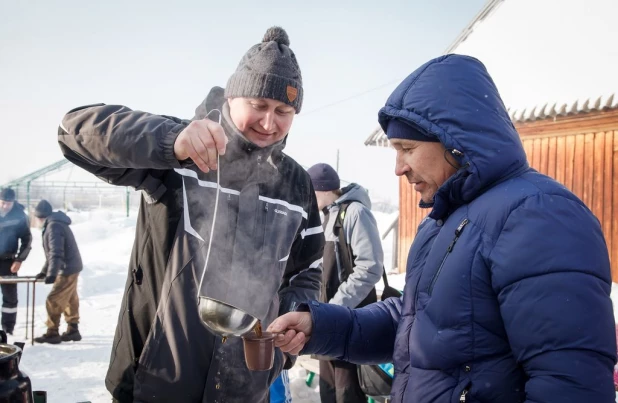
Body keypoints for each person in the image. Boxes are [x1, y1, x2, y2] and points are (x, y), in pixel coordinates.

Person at [268, 54, 617, 403]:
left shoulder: (538, 215)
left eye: (407, 148)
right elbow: (418, 323)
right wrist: (324, 326)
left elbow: (570, 384)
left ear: (454, 141)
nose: (398, 168)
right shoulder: (444, 221)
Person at [57, 26, 324, 403]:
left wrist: (295, 313)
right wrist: (168, 141)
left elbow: (307, 271)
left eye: (283, 111)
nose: (270, 123)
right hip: (158, 382)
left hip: (247, 388)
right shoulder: (180, 154)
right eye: (259, 106)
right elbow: (72, 132)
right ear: (233, 97)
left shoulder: (297, 185)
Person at [306, 163, 383, 403]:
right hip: (326, 323)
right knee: (329, 392)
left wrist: (337, 306)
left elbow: (370, 267)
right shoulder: (326, 216)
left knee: (346, 394)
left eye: (310, 192)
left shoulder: (355, 213)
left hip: (349, 321)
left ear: (323, 189)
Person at [31, 200, 83, 344]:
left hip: (66, 269)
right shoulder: (55, 224)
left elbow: (56, 253)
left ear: (40, 217)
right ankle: (73, 330)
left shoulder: (53, 227)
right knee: (70, 299)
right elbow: (52, 254)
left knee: (53, 299)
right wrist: (44, 271)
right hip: (71, 266)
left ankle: (52, 332)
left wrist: (52, 274)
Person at [0, 187, 32, 335]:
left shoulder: (19, 216)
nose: (5, 206)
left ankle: (7, 329)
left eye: (8, 203)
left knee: (10, 298)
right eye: (3, 202)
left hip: (9, 262)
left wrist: (19, 260)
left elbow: (27, 240)